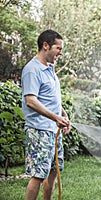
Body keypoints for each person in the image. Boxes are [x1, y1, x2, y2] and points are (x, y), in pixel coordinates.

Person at [21, 29, 71, 200]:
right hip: (39, 130)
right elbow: (31, 101)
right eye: (58, 48)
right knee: (38, 175)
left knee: (53, 173)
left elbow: (52, 98)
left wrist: (63, 115)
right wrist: (56, 118)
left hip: (52, 130)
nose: (61, 52)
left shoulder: (49, 69)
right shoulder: (32, 70)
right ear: (45, 46)